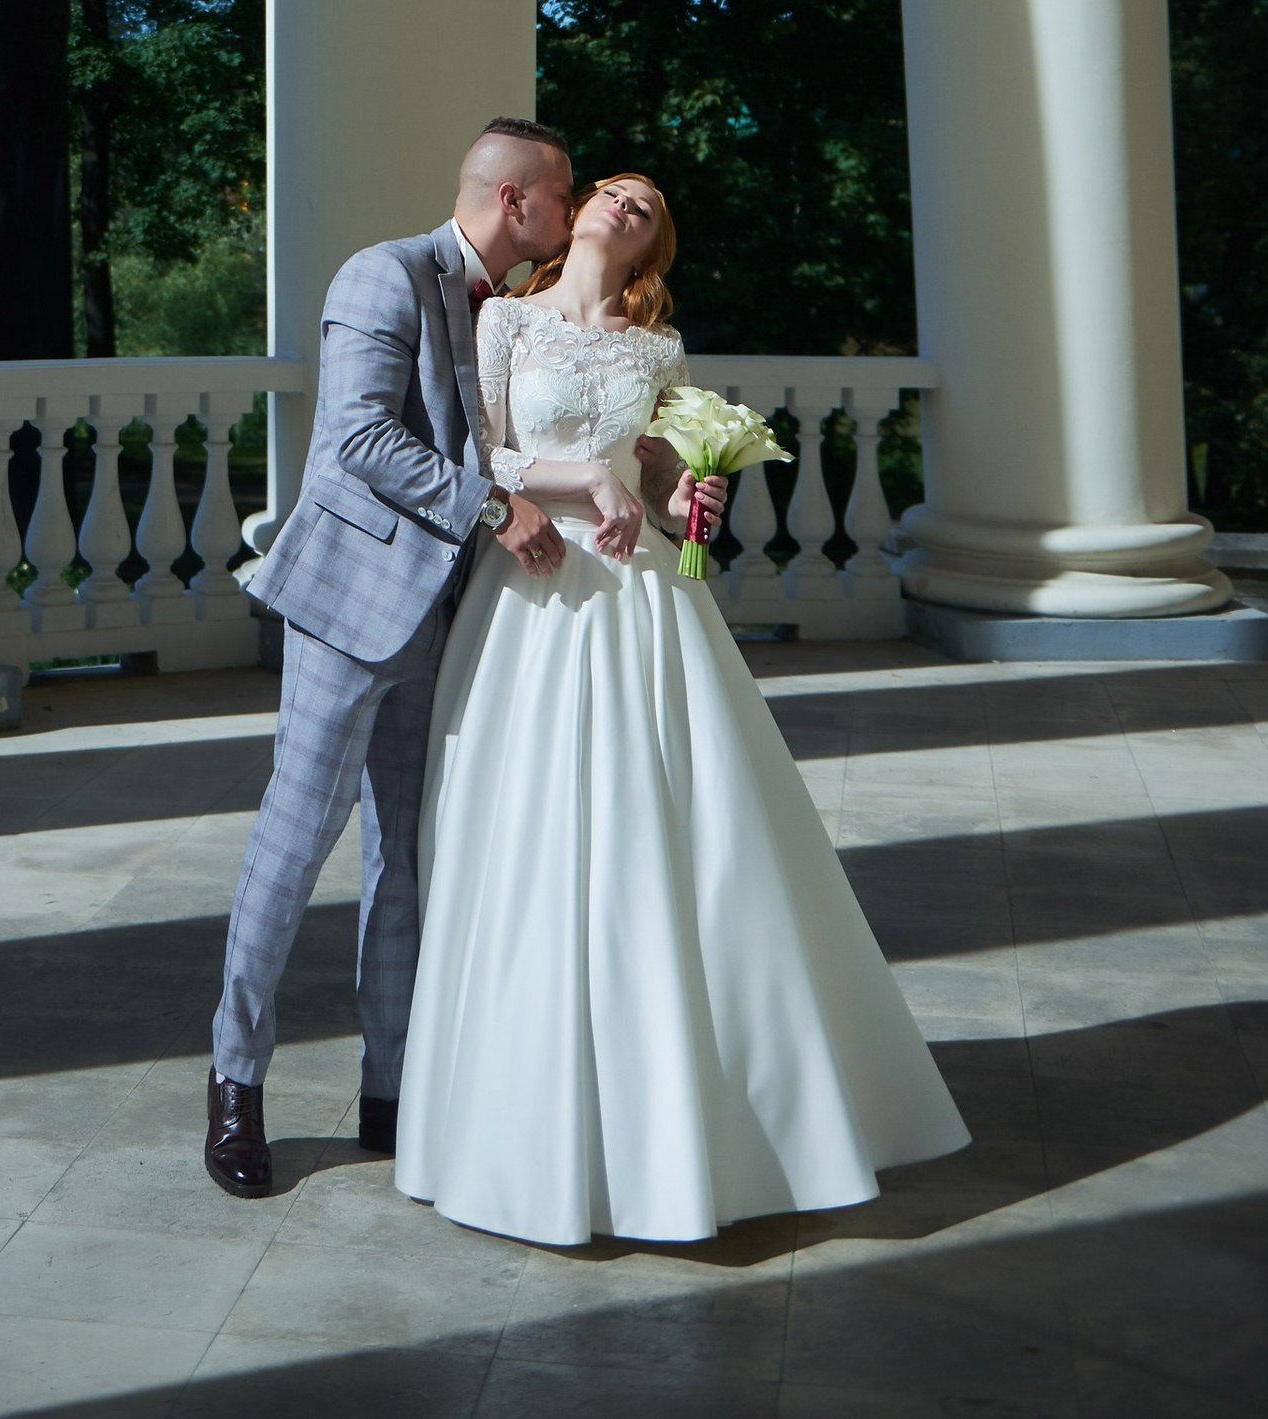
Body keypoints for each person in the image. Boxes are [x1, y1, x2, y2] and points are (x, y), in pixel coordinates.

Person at [394, 171, 970, 1245]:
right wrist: (583, 481)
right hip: (531, 589)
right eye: (613, 189)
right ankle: (517, 1127)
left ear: (653, 249)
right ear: (574, 212)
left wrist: (686, 495)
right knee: (528, 833)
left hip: (642, 595)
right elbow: (479, 454)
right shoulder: (505, 318)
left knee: (669, 830)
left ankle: (707, 1115)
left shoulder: (659, 349)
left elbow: (659, 486)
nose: (625, 203)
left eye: (647, 206)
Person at [204, 119, 579, 1200]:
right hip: (349, 606)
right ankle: (235, 1080)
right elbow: (357, 439)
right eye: (562, 194)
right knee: (293, 846)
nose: (569, 211)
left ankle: (391, 1087)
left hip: (447, 621)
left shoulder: (515, 307)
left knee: (404, 860)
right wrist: (492, 505)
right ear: (514, 200)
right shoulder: (385, 273)